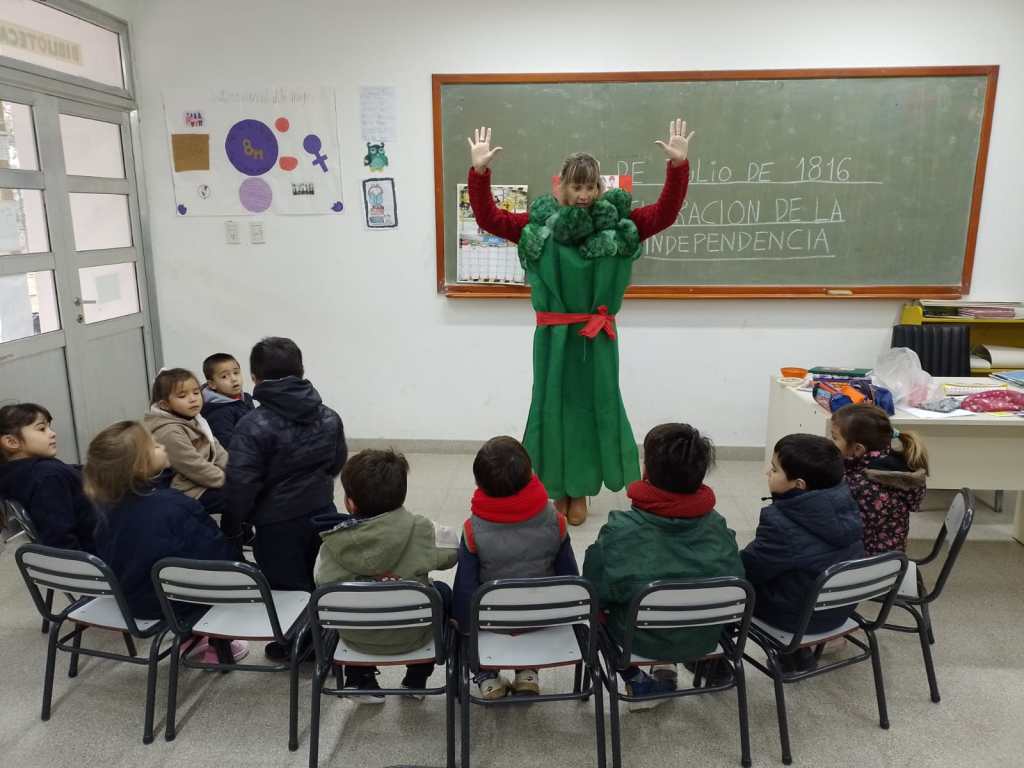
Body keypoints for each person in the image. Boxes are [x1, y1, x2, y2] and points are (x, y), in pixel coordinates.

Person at [466, 120, 694, 525]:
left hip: (597, 337)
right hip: (553, 339)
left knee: (593, 409)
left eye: (591, 187)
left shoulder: (618, 227)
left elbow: (665, 214)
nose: (584, 195)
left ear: (599, 188)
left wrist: (678, 168)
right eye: (577, 186)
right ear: (561, 187)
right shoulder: (538, 228)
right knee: (551, 408)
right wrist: (480, 173)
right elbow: (489, 220)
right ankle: (558, 487)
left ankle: (582, 488)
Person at [583, 423, 744, 709]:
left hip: (639, 640)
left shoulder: (621, 531)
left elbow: (594, 589)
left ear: (646, 472)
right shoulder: (718, 528)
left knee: (595, 610)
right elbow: (738, 581)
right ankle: (674, 665)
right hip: (704, 638)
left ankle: (638, 679)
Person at [85, 420, 246, 664]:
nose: (162, 446)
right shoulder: (175, 505)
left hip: (133, 601)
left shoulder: (105, 509)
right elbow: (217, 558)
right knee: (230, 569)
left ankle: (191, 638)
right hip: (178, 605)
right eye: (155, 445)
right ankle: (218, 647)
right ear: (141, 464)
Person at [314, 449, 457, 701]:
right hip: (414, 634)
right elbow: (453, 551)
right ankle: (416, 681)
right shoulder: (421, 529)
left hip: (356, 638)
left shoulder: (333, 543)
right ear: (401, 497)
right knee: (441, 592)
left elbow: (321, 581)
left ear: (350, 503)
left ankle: (360, 680)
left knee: (348, 599)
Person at [452, 436, 577, 699]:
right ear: (530, 474)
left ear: (479, 484)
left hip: (492, 622)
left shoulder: (473, 530)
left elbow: (465, 591)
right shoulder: (556, 521)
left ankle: (487, 676)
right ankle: (527, 672)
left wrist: (463, 628)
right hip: (543, 619)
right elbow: (570, 579)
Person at [224, 337, 347, 599]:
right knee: (324, 586)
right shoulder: (329, 416)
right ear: (301, 371)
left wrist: (233, 527)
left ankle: (297, 629)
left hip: (275, 527)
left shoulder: (251, 425)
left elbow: (240, 485)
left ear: (255, 378)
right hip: (324, 514)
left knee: (287, 599)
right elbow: (337, 462)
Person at [741, 434, 864, 672]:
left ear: (799, 484)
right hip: (839, 611)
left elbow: (750, 569)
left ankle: (715, 665)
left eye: (774, 469)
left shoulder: (781, 523)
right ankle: (798, 655)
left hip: (797, 620)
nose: (767, 472)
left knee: (730, 589)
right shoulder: (846, 502)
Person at [831, 403, 928, 555]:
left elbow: (847, 533)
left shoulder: (866, 488)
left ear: (858, 449)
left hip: (870, 560)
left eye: (835, 438)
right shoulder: (887, 461)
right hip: (884, 553)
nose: (831, 443)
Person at [0, 403, 97, 552]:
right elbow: (60, 540)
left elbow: (71, 470)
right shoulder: (46, 477)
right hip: (103, 550)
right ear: (11, 442)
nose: (52, 433)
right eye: (42, 429)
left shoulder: (23, 472)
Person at [144, 368, 229, 519]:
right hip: (187, 491)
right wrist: (230, 480)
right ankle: (234, 531)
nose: (193, 399)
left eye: (196, 392)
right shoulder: (169, 432)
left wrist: (236, 472)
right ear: (164, 404)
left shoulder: (195, 419)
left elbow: (217, 450)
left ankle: (236, 529)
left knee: (251, 488)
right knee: (241, 495)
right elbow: (194, 466)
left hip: (203, 480)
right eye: (182, 396)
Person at [200, 352, 255, 449]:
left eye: (236, 373)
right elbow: (228, 445)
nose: (234, 379)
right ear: (212, 384)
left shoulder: (246, 397)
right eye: (224, 376)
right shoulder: (218, 413)